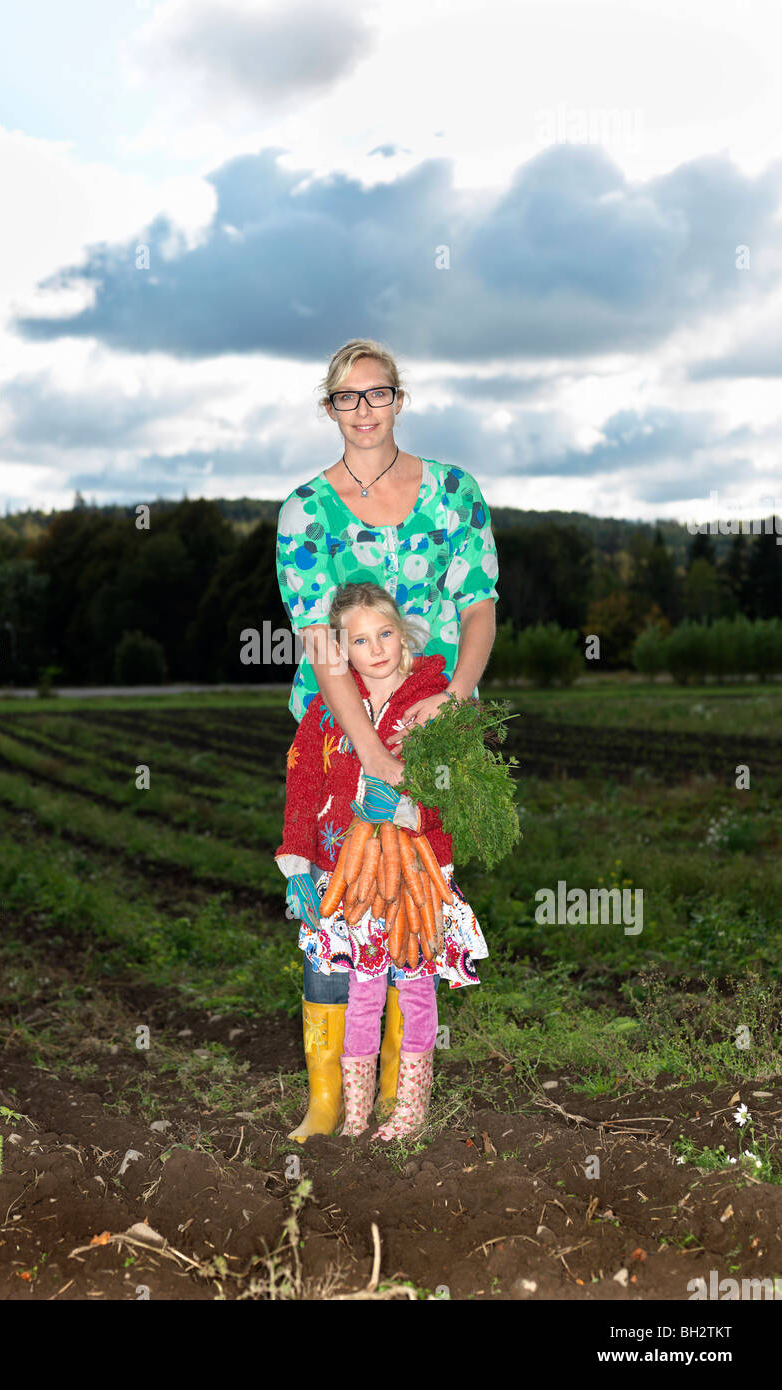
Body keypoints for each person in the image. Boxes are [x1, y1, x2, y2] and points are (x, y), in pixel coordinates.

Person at [275, 337, 499, 1139]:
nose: (363, 410)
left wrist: (455, 701)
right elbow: (319, 636)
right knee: (334, 908)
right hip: (339, 739)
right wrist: (370, 752)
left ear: (399, 400)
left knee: (412, 904)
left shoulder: (452, 491)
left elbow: (477, 604)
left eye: (378, 394)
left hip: (431, 731)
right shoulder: (305, 511)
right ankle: (329, 1101)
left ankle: (402, 1105)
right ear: (328, 407)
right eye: (347, 397)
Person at [276, 582, 489, 1140]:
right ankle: (340, 1108)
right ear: (340, 652)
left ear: (403, 633)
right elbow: (302, 786)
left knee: (411, 984)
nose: (377, 648)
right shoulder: (325, 713)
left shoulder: (433, 704)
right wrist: (298, 859)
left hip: (413, 875)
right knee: (341, 981)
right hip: (341, 872)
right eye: (361, 640)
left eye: (386, 634)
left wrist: (417, 809)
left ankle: (404, 1103)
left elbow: (465, 792)